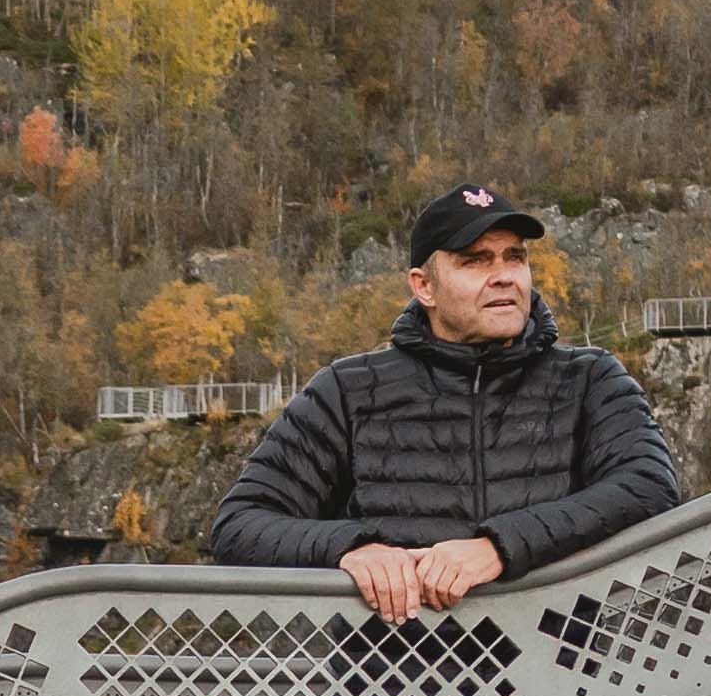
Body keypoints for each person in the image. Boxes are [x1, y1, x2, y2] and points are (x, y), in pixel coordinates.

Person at [212, 183, 686, 620]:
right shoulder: (348, 390)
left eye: (514, 258)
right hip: (391, 694)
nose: (503, 277)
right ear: (424, 287)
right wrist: (351, 548)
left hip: (562, 686)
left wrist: (499, 547)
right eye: (475, 261)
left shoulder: (589, 378)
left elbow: (648, 487)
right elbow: (240, 525)